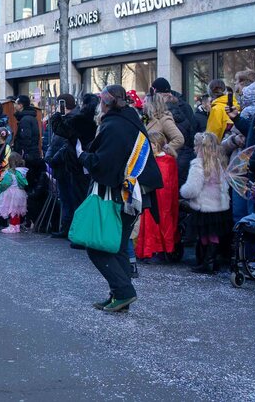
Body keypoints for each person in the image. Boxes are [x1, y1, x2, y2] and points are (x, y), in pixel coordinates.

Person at [78, 85, 162, 314]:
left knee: (97, 246)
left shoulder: (114, 126)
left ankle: (123, 292)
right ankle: (119, 296)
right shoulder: (131, 121)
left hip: (121, 194)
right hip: (136, 195)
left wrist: (82, 156)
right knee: (119, 246)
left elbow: (104, 165)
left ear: (105, 103)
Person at [179, 132, 232, 274]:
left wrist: (183, 192)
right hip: (219, 207)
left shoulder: (198, 165)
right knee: (214, 234)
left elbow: (192, 189)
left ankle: (205, 262)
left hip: (203, 206)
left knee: (204, 234)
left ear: (200, 147)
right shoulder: (220, 163)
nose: (194, 149)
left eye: (195, 146)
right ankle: (212, 261)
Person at [48, 94, 98, 239]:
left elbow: (60, 130)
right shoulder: (93, 121)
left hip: (77, 165)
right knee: (74, 199)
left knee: (77, 199)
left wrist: (57, 115)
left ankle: (79, 233)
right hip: (79, 164)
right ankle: (72, 230)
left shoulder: (80, 121)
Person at [135, 131, 180, 262]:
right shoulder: (151, 159)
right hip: (153, 195)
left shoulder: (167, 161)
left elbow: (171, 182)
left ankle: (159, 250)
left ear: (157, 144)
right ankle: (149, 250)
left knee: (161, 221)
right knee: (149, 222)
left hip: (163, 198)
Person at [149, 78, 196, 187]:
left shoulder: (163, 112)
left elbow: (179, 138)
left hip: (174, 157)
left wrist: (163, 151)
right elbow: (193, 128)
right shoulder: (184, 105)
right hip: (183, 155)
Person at [12, 95, 44, 196]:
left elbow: (26, 139)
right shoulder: (29, 118)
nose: (14, 106)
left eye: (16, 103)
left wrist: (23, 156)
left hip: (28, 157)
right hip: (32, 155)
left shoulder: (25, 120)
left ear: (21, 105)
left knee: (28, 184)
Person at [0, 153, 28, 233]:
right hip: (20, 192)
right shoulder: (22, 171)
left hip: (11, 193)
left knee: (12, 210)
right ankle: (17, 226)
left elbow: (5, 183)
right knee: (17, 211)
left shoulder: (10, 172)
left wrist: (0, 186)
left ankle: (12, 227)